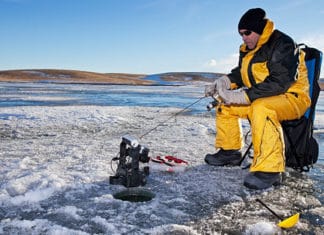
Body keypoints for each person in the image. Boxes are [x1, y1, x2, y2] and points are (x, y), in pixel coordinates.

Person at [204, 8, 311, 190]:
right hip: (263, 96)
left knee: (262, 108)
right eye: (241, 34)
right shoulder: (248, 50)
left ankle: (270, 170)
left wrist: (243, 96)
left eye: (247, 33)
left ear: (260, 29)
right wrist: (224, 82)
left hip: (292, 98)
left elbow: (280, 82)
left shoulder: (282, 44)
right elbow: (241, 74)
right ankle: (230, 151)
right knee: (225, 106)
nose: (244, 37)